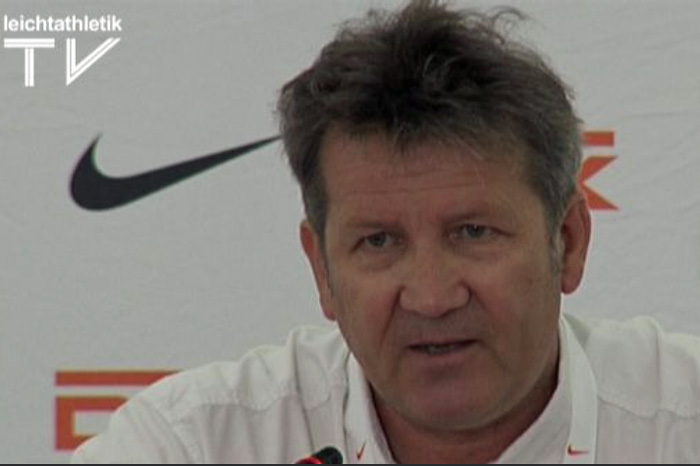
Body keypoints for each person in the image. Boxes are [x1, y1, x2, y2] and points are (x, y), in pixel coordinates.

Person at [72, 0, 700, 463]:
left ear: (569, 240)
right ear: (322, 270)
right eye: (378, 242)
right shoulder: (194, 445)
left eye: (473, 232)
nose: (431, 297)